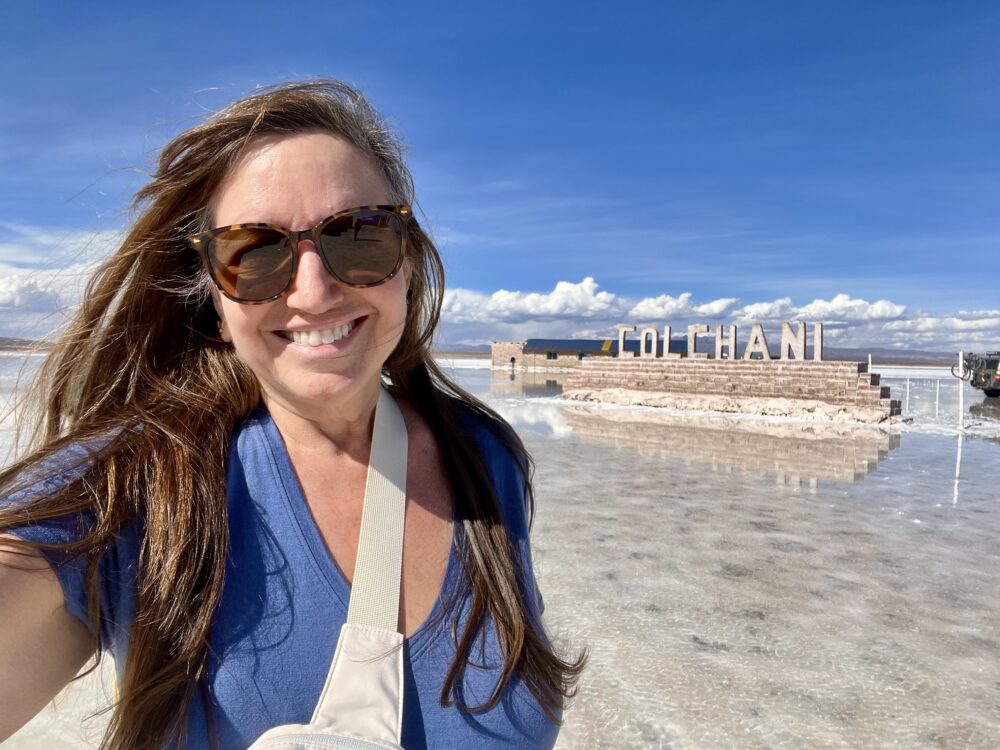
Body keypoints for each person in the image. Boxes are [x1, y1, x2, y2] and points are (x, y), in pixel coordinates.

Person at [0, 80, 584, 749]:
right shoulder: (136, 482)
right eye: (255, 253)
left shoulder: (485, 456)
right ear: (214, 304)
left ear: (408, 261)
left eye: (359, 235)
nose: (313, 293)